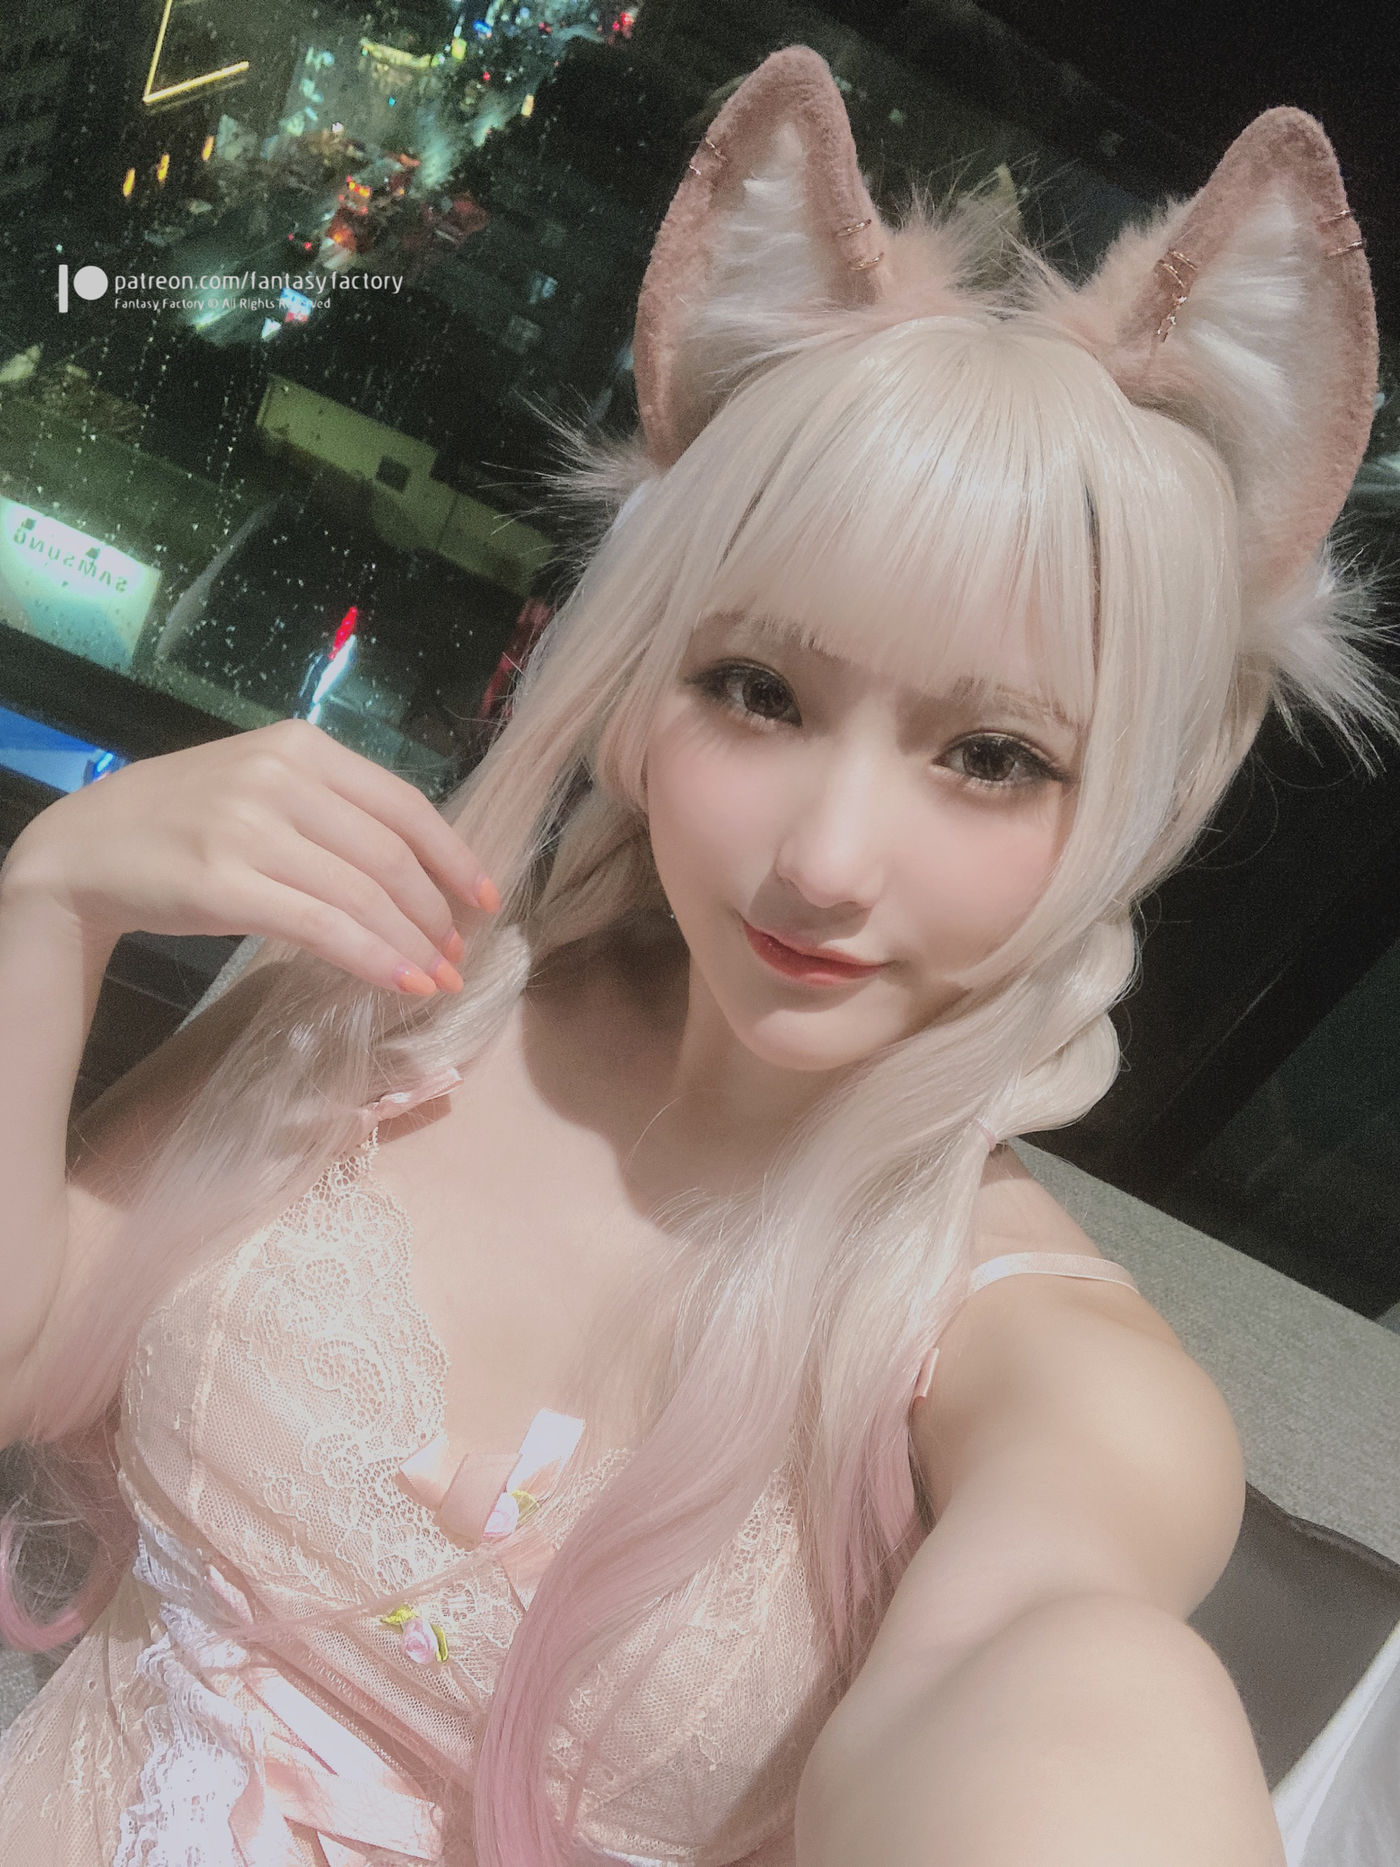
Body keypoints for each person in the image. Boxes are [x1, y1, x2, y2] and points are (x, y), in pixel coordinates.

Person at [0, 44, 1383, 1867]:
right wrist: (52, 908)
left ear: (1132, 808)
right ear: (642, 693)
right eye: (759, 691)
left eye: (994, 757)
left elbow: (1062, 1678)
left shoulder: (1037, 1369)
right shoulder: (384, 1000)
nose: (824, 860)